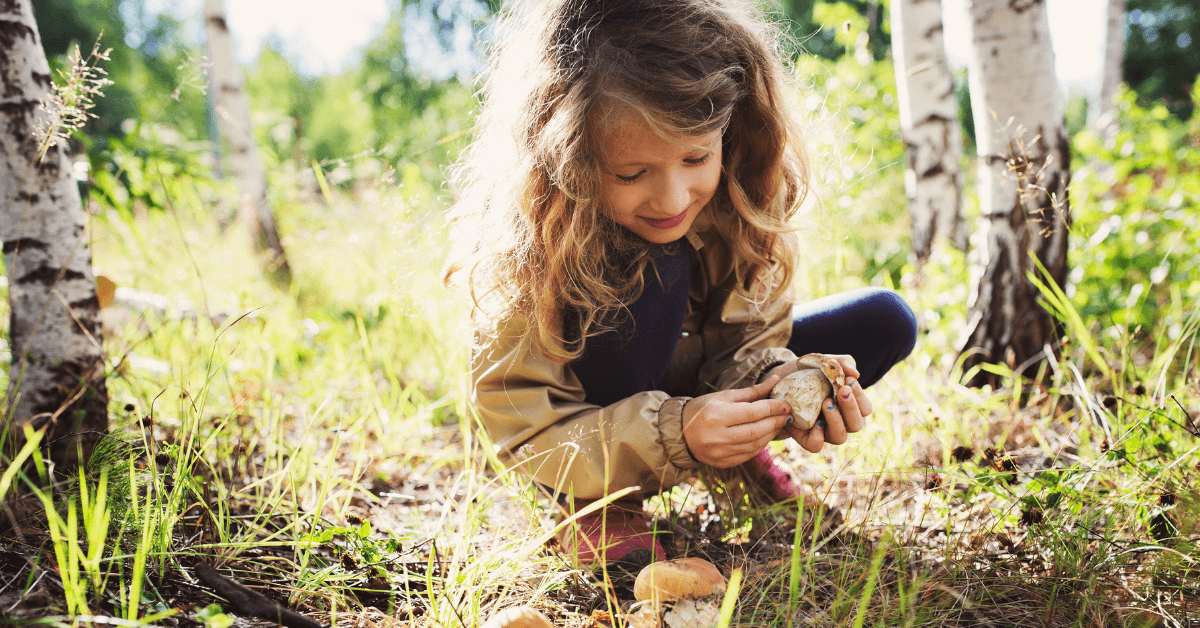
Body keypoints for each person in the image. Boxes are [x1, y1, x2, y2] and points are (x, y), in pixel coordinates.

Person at [443, 0, 917, 566]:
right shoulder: (534, 247)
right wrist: (680, 431)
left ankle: (737, 457)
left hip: (689, 385)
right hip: (587, 434)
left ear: (731, 131)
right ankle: (599, 506)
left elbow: (745, 342)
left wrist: (774, 384)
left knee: (882, 319)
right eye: (632, 173)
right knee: (654, 266)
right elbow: (526, 429)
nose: (671, 200)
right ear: (567, 158)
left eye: (696, 157)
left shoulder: (740, 200)